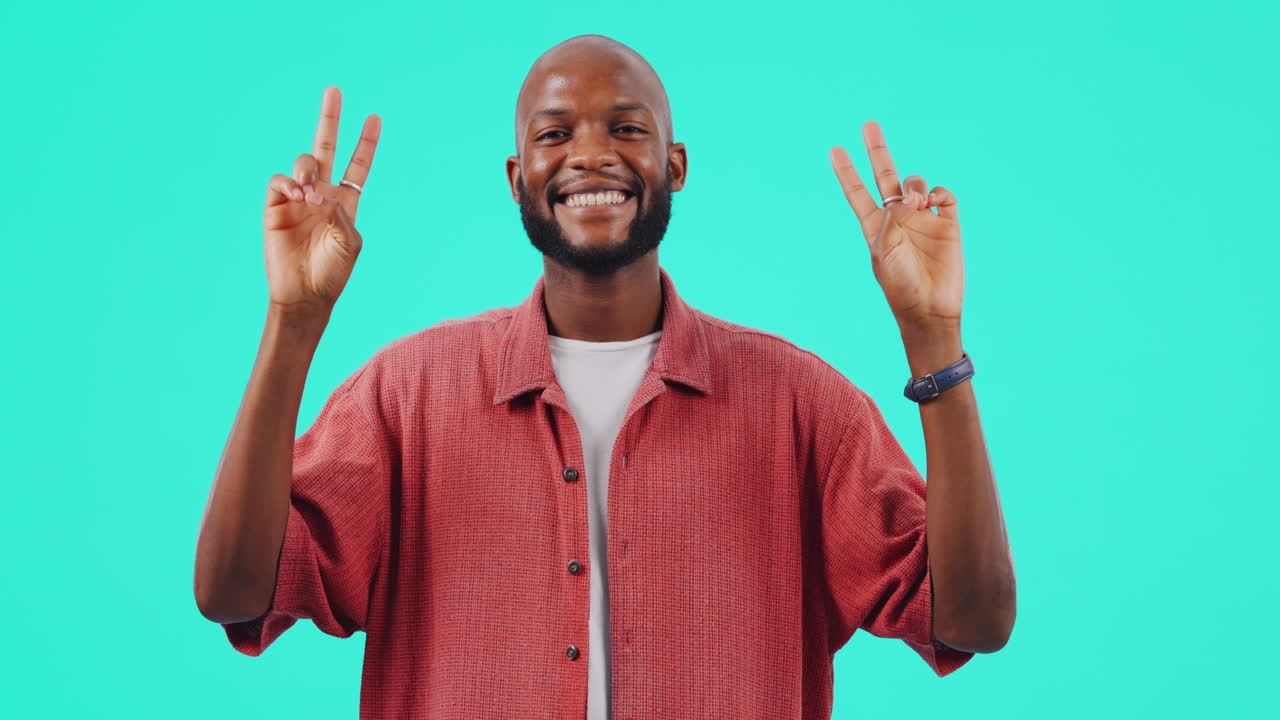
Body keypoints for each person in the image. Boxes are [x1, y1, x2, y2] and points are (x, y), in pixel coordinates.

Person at [194, 33, 1015, 720]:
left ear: (676, 164)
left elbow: (972, 618)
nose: (591, 154)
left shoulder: (798, 403)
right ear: (517, 179)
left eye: (627, 129)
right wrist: (293, 321)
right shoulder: (406, 394)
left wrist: (934, 336)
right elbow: (235, 593)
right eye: (554, 135)